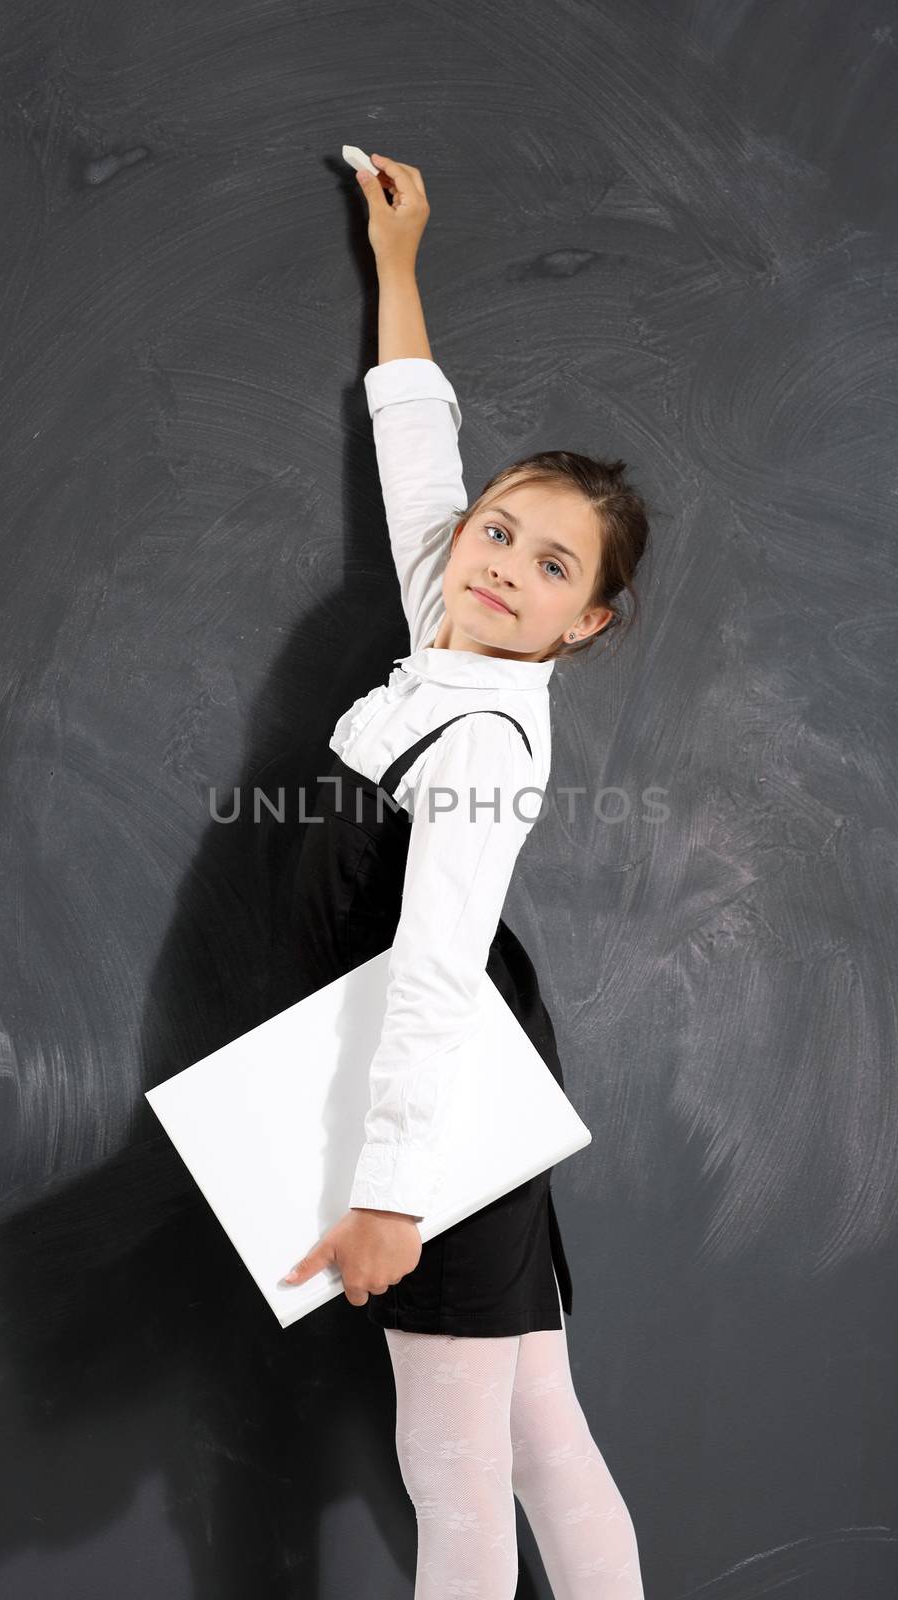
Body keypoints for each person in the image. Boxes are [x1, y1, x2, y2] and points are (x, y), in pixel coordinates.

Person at [281, 152, 650, 1598]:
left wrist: (391, 1197)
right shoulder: (457, 629)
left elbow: (433, 971)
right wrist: (400, 264)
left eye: (553, 568)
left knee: (453, 1476)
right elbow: (419, 455)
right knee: (543, 1439)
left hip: (439, 1102)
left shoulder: (487, 727)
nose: (503, 566)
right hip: (468, 1079)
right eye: (500, 532)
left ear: (591, 624)